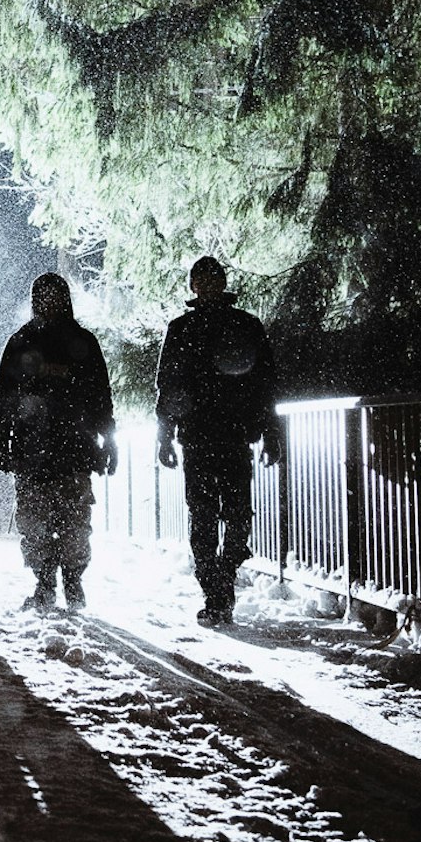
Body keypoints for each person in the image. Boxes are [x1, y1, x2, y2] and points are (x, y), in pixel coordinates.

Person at [155, 255, 283, 627]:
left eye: (213, 279)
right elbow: (168, 387)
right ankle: (216, 589)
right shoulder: (188, 328)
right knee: (206, 516)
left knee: (234, 515)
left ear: (221, 283)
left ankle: (220, 580)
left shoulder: (241, 326)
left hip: (231, 436)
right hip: (203, 437)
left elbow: (265, 384)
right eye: (203, 280)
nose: (208, 286)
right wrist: (164, 437)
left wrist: (271, 432)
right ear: (194, 286)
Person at [0, 272, 117, 611]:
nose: (49, 302)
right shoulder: (21, 342)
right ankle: (44, 583)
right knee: (35, 522)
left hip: (75, 449)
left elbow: (101, 397)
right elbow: (4, 397)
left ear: (64, 299)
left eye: (55, 295)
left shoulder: (84, 343)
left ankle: (73, 581)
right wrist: (0, 440)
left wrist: (109, 440)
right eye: (43, 296)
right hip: (32, 451)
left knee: (75, 522)